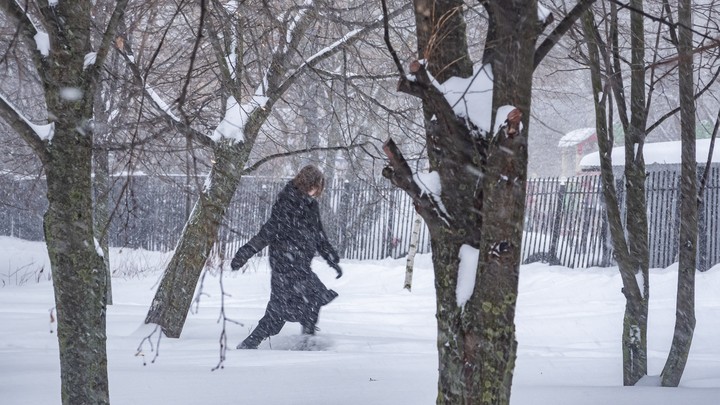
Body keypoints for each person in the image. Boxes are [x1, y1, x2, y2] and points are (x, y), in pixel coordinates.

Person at [230, 165, 343, 349]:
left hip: (300, 267)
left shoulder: (310, 205)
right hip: (285, 266)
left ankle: (306, 340)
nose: (317, 191)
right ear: (310, 184)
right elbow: (269, 231)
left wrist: (331, 258)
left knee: (309, 301)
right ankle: (253, 343)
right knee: (281, 310)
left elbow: (318, 234)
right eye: (317, 186)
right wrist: (245, 252)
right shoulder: (287, 202)